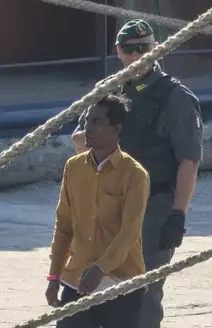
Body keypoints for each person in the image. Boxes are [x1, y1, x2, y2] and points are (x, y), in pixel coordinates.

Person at [71, 19, 203, 328]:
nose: (136, 55)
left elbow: (190, 160)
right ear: (118, 51)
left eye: (143, 49)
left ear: (155, 49)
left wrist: (178, 214)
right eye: (129, 50)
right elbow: (79, 142)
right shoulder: (108, 92)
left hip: (153, 205)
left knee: (142, 294)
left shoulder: (175, 97)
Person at [46, 94, 150, 328]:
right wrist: (54, 277)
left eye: (96, 122)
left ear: (116, 129)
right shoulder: (73, 168)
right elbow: (63, 227)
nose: (87, 128)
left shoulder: (135, 175)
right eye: (86, 122)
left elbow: (129, 232)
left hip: (122, 284)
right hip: (76, 282)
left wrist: (100, 269)